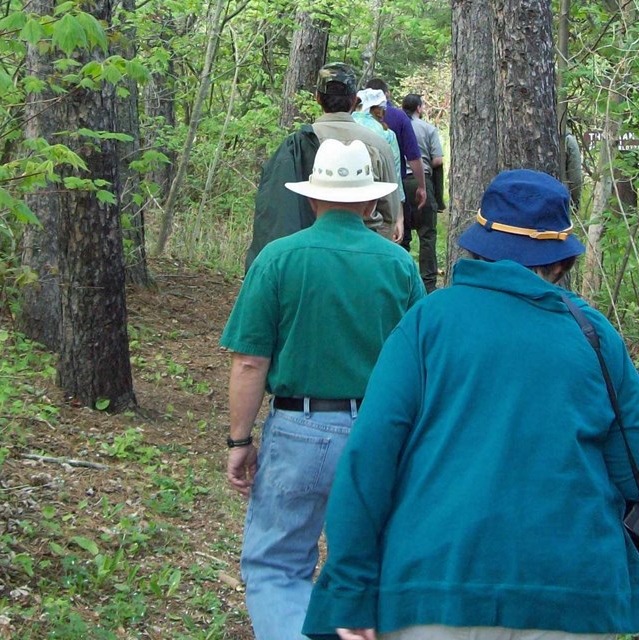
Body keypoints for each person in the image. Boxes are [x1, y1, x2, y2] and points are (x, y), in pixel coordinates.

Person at [303, 169, 639, 640]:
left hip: (433, 589)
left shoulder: (428, 324)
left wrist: (351, 586)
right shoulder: (595, 337)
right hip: (571, 596)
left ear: (476, 247)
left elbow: (370, 456)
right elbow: (631, 467)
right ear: (561, 263)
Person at [220, 138, 425, 640]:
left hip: (299, 430)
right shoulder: (398, 265)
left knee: (277, 566)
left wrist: (240, 440)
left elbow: (249, 362)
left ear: (312, 198)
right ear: (372, 202)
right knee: (373, 563)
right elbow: (423, 361)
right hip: (380, 434)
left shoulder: (278, 258)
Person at [246, 63, 402, 270]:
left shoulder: (296, 145)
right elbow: (388, 216)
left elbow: (276, 214)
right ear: (355, 99)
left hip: (305, 264)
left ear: (317, 98)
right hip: (364, 263)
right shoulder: (379, 144)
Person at [365, 78, 427, 250]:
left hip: (357, 193)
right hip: (389, 191)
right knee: (397, 241)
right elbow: (413, 157)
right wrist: (421, 186)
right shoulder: (398, 118)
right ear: (387, 95)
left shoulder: (351, 120)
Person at [402, 93, 444, 293]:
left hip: (399, 182)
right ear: (419, 108)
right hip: (422, 182)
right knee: (427, 235)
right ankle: (428, 285)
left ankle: (402, 281)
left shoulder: (394, 125)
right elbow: (437, 161)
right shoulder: (428, 128)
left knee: (402, 235)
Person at [353, 88, 406, 206]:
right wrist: (398, 202)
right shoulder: (387, 135)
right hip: (376, 199)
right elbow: (394, 170)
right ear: (379, 111)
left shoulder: (345, 125)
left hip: (345, 195)